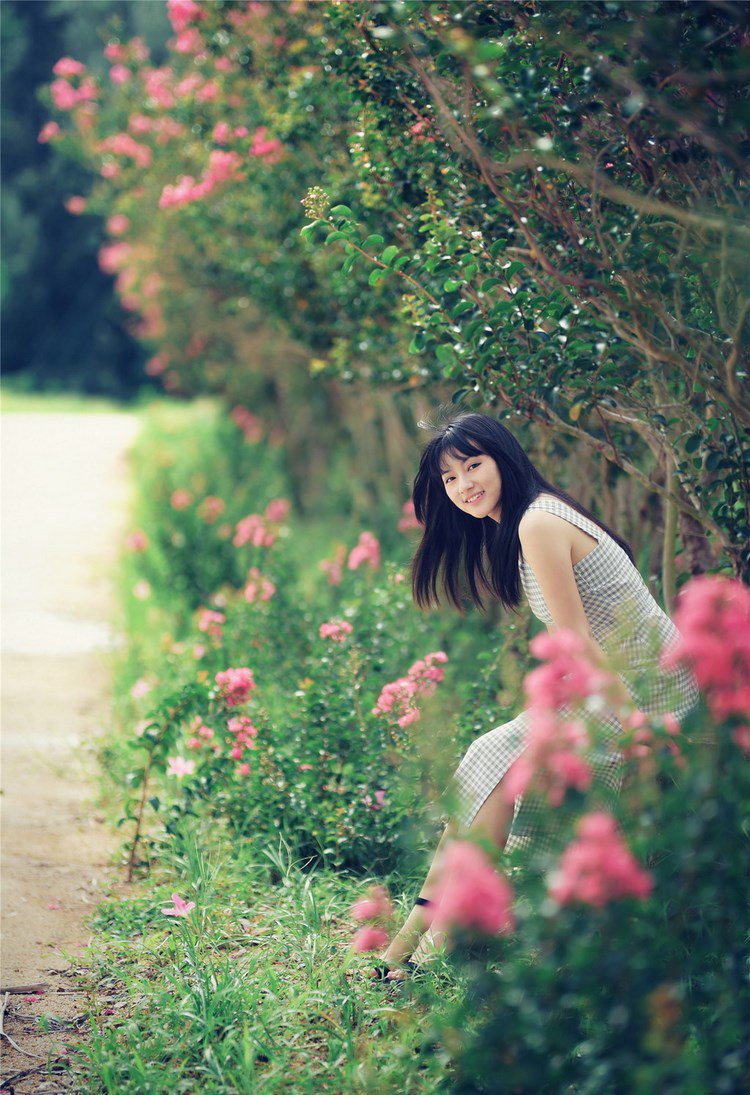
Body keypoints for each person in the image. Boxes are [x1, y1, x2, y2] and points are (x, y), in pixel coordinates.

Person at [371, 412, 698, 982]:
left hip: (650, 693)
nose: (464, 485)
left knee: (503, 759)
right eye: (450, 479)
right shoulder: (524, 521)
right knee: (492, 755)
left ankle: (422, 943)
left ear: (504, 458)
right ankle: (420, 940)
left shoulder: (538, 524)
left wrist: (634, 729)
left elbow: (575, 645)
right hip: (616, 683)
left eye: (474, 466)